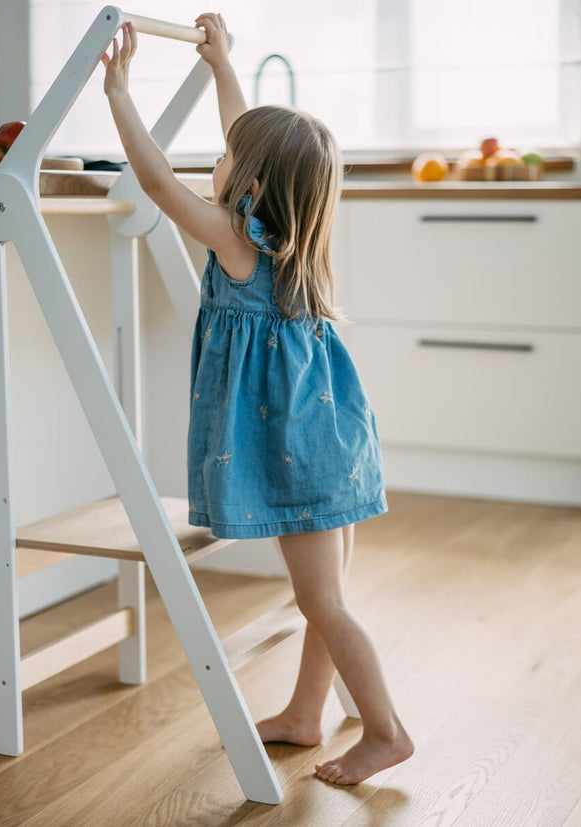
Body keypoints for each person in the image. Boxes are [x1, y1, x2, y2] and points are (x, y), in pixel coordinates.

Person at [101, 12, 414, 785]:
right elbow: (247, 133)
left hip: (299, 449)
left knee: (325, 604)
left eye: (229, 159)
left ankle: (386, 730)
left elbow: (154, 182)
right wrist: (220, 64)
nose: (220, 158)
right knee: (325, 596)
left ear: (253, 183)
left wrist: (118, 93)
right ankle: (307, 714)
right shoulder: (295, 238)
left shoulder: (236, 240)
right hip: (333, 437)